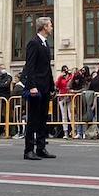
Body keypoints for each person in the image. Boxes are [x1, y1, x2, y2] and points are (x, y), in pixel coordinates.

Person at [20, 17, 56, 160]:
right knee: (33, 119)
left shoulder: (46, 44)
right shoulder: (33, 43)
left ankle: (41, 148)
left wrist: (52, 86)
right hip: (36, 87)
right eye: (50, 25)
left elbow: (47, 67)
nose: (52, 27)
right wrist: (32, 86)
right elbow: (30, 67)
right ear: (44, 27)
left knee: (42, 118)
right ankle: (28, 149)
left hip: (46, 86)